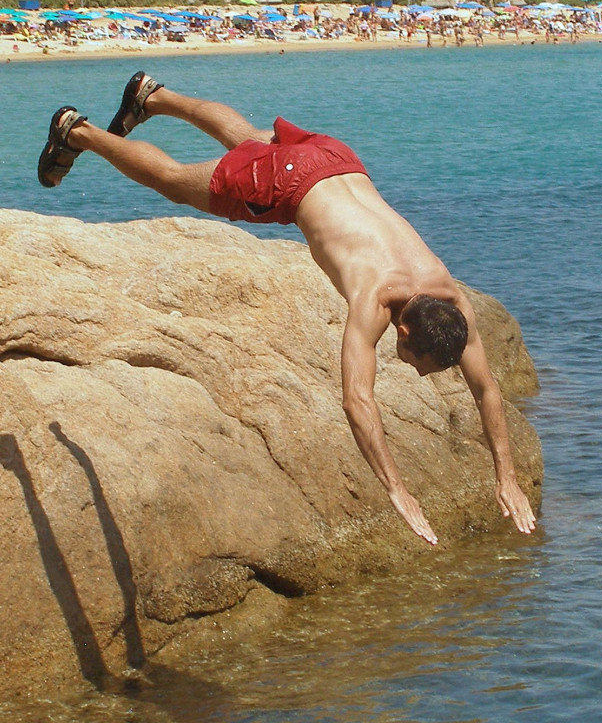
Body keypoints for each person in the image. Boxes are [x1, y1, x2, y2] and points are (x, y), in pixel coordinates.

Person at [38, 73, 537, 545]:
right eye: (420, 366)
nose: (421, 376)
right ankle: (77, 132)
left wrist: (506, 477)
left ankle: (153, 97)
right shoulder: (375, 299)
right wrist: (397, 491)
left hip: (336, 159)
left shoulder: (448, 298)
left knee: (249, 139)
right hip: (289, 184)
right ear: (402, 333)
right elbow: (357, 402)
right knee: (172, 178)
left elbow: (486, 390)